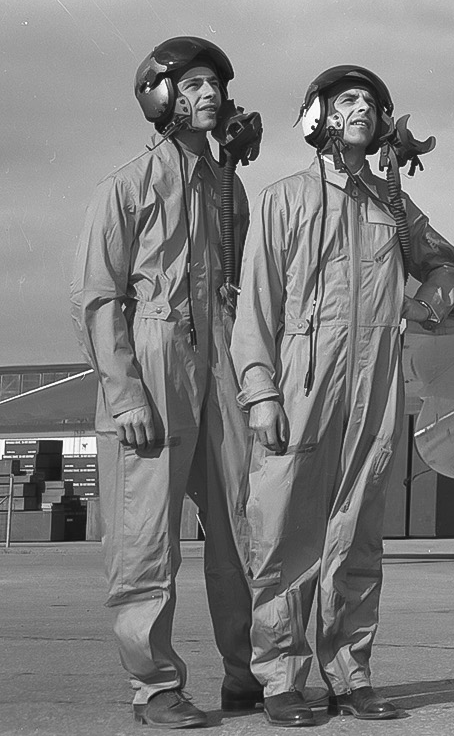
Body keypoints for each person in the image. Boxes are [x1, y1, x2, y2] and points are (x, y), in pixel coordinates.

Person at [232, 65, 454, 725]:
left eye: (371, 101)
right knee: (285, 536)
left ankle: (349, 675)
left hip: (376, 389)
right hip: (303, 386)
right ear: (321, 118)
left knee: (357, 539)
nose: (361, 107)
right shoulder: (284, 200)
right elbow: (256, 308)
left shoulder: (390, 204)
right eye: (348, 100)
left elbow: (447, 261)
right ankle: (281, 682)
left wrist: (426, 306)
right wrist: (261, 394)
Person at [69, 37, 263, 728]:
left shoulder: (229, 188)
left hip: (223, 375)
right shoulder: (125, 188)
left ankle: (251, 676)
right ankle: (155, 689)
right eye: (195, 84)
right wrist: (125, 396)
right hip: (153, 374)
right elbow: (97, 299)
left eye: (216, 84)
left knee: (247, 530)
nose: (209, 94)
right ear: (162, 96)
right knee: (146, 544)